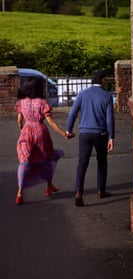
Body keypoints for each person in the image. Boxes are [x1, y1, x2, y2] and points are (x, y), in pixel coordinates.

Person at [15, 77, 73, 205]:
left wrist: (23, 131)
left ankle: (20, 192)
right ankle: (49, 186)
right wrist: (64, 133)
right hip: (41, 132)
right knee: (46, 159)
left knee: (25, 161)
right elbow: (50, 122)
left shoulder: (21, 102)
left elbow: (19, 121)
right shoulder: (43, 103)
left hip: (26, 131)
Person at [66, 69, 115, 207]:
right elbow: (109, 120)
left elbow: (72, 113)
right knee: (102, 162)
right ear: (103, 80)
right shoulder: (107, 97)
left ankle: (79, 194)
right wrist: (111, 137)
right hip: (101, 134)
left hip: (85, 133)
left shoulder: (82, 94)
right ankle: (101, 190)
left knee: (82, 163)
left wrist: (68, 130)